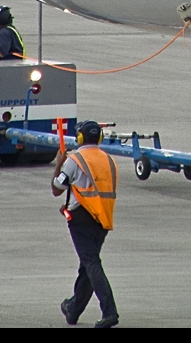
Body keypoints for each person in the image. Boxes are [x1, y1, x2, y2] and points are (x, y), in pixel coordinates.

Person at [52, 120, 119, 328]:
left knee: (91, 264)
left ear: (80, 138)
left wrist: (59, 164)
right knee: (88, 264)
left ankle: (110, 312)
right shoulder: (109, 160)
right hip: (103, 219)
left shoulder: (75, 160)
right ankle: (73, 309)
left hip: (81, 219)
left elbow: (56, 188)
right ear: (99, 137)